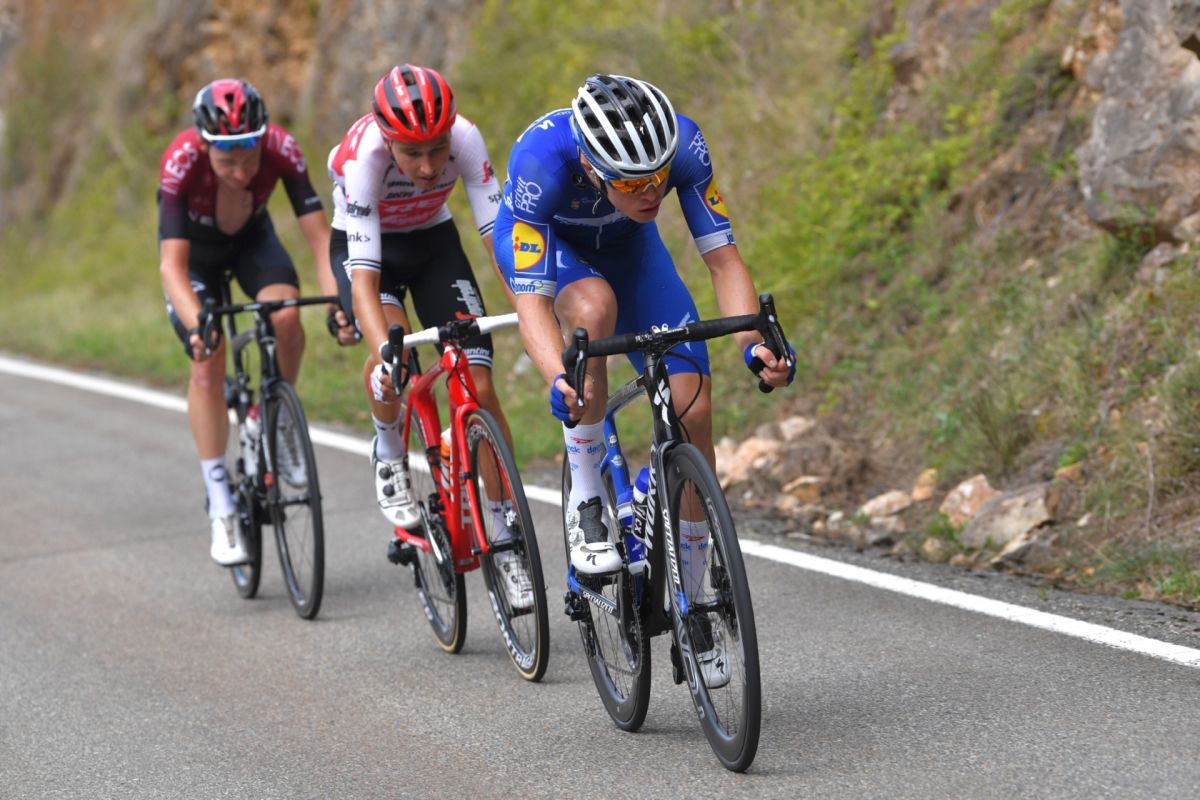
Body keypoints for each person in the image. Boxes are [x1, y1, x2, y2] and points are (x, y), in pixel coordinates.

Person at [493, 74, 795, 683]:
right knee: (594, 309)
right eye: (632, 183)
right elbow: (532, 307)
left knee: (694, 411)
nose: (652, 190)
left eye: (658, 176)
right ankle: (586, 496)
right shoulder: (540, 162)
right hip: (557, 253)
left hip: (633, 252)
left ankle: (696, 597)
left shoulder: (683, 145)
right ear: (590, 164)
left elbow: (723, 261)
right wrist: (557, 376)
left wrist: (754, 344)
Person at [326, 64, 531, 608]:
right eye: (412, 153)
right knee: (393, 357)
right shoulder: (364, 161)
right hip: (368, 250)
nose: (427, 165)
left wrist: (529, 311)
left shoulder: (465, 138)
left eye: (437, 150)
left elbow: (498, 239)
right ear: (388, 140)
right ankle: (391, 452)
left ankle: (505, 532)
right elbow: (364, 283)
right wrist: (385, 353)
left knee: (479, 384)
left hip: (434, 242)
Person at [158, 78, 344, 566]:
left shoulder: (282, 148)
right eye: (228, 162)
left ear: (263, 141)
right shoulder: (181, 161)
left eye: (250, 158)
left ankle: (272, 419)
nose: (241, 172)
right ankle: (220, 500)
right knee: (208, 360)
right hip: (195, 261)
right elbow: (172, 267)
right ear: (205, 147)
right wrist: (198, 325)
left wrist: (338, 301)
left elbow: (319, 239)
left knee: (286, 315)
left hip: (251, 244)